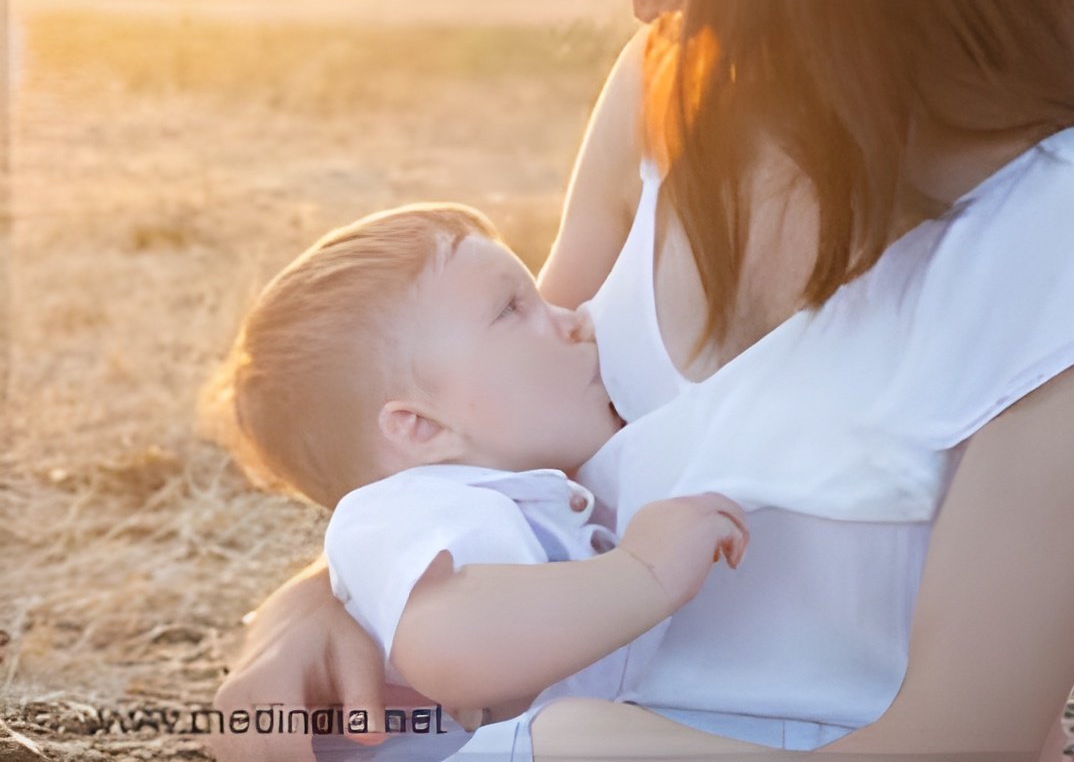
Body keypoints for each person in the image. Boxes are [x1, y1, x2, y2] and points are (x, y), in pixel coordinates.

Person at [209, 0, 1074, 760]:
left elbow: (962, 740)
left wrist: (581, 742)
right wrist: (303, 614)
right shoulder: (662, 92)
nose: (645, 0)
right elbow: (475, 449)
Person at [208, 203, 750, 760]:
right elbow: (448, 644)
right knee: (571, 734)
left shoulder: (514, 496)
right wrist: (643, 571)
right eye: (513, 309)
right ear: (421, 427)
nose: (576, 319)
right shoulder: (409, 508)